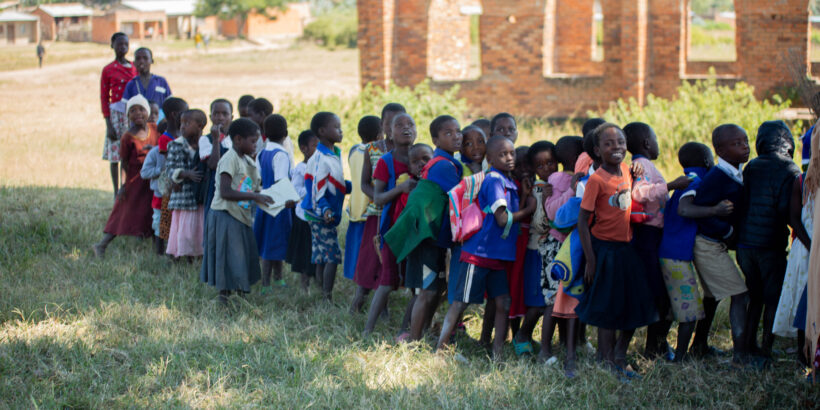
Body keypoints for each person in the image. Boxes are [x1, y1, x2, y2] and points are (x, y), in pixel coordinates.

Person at [436, 136, 535, 359]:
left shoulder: (508, 181)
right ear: (490, 159)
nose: (510, 158)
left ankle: (497, 353)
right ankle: (441, 350)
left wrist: (525, 196)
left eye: (512, 153)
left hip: (497, 255)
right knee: (461, 302)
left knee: (503, 301)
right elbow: (502, 219)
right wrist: (529, 209)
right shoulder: (494, 181)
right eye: (503, 154)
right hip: (480, 254)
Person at [575, 123, 657, 378]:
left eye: (620, 142)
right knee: (607, 308)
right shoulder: (596, 180)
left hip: (625, 248)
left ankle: (618, 355)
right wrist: (590, 259)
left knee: (633, 302)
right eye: (609, 144)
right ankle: (608, 361)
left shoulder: (626, 169)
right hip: (604, 250)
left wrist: (638, 169)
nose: (617, 147)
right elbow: (582, 220)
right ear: (597, 150)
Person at [679, 124, 751, 364]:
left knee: (712, 296)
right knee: (740, 294)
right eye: (736, 143)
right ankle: (740, 357)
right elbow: (700, 211)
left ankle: (699, 345)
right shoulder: (717, 177)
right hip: (707, 244)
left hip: (714, 243)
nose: (744, 146)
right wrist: (727, 230)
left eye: (745, 141)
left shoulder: (735, 172)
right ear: (719, 150)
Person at [624, 122, 692, 360]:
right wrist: (672, 185)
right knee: (656, 296)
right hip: (646, 237)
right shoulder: (642, 165)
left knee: (659, 297)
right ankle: (651, 348)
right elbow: (639, 194)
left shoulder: (645, 164)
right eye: (655, 139)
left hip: (653, 237)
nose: (657, 144)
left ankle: (655, 347)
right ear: (646, 143)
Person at [736, 120, 800, 361]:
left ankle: (748, 345)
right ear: (788, 142)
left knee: (755, 296)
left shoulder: (752, 166)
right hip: (770, 246)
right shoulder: (790, 169)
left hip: (745, 245)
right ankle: (765, 350)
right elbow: (786, 209)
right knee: (772, 298)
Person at [404, 115, 464, 342]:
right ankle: (413, 340)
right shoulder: (443, 166)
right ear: (435, 139)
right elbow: (460, 197)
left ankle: (421, 333)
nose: (456, 136)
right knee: (427, 291)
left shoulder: (446, 162)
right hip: (427, 239)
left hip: (434, 238)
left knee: (435, 289)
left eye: (458, 131)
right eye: (448, 133)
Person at [201, 118, 273, 303]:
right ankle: (223, 297)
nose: (256, 145)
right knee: (226, 256)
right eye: (253, 141)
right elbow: (225, 192)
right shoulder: (229, 159)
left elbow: (254, 188)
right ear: (238, 139)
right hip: (225, 215)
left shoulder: (247, 160)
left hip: (240, 215)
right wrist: (256, 197)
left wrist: (276, 199)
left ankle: (240, 293)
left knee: (241, 255)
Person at [363, 113, 418, 336]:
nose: (406, 129)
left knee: (416, 285)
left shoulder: (424, 157)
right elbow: (377, 198)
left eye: (410, 124)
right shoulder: (387, 161)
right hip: (393, 231)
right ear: (390, 133)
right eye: (399, 125)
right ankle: (367, 330)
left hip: (417, 231)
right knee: (387, 281)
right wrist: (400, 189)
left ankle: (405, 330)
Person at [351, 103, 406, 313]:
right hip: (377, 214)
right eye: (390, 123)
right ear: (382, 125)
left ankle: (383, 308)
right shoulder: (372, 149)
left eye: (399, 123)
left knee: (389, 262)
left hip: (399, 215)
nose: (395, 127)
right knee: (370, 258)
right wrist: (379, 197)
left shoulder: (410, 151)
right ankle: (358, 302)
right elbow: (364, 182)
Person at [92, 95, 158, 257]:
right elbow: (124, 163)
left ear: (148, 112)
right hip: (135, 182)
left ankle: (159, 252)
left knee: (154, 212)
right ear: (128, 116)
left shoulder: (154, 129)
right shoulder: (127, 137)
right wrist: (122, 186)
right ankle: (101, 245)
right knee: (124, 213)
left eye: (141, 109)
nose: (138, 114)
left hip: (153, 180)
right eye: (133, 111)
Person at [543, 136, 584, 375]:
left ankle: (572, 342)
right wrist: (570, 189)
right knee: (554, 299)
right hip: (557, 247)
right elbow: (553, 212)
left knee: (571, 296)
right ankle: (545, 348)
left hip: (570, 246)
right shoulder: (559, 179)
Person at [300, 112, 350, 301]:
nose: (341, 131)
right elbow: (316, 189)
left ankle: (322, 293)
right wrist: (325, 209)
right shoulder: (320, 158)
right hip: (321, 214)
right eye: (336, 127)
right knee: (333, 256)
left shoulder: (333, 153)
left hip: (321, 212)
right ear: (322, 131)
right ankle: (326, 297)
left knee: (321, 255)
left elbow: (335, 183)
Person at [514, 141, 557, 358]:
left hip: (554, 253)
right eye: (540, 166)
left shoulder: (559, 185)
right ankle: (523, 335)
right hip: (537, 251)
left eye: (551, 163)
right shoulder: (538, 189)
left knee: (551, 301)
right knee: (538, 304)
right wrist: (548, 200)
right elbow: (541, 224)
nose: (547, 169)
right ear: (533, 169)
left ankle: (537, 339)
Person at [254, 114, 296, 292]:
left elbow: (258, 178)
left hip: (264, 204)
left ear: (264, 133)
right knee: (275, 244)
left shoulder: (262, 152)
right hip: (278, 206)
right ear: (285, 134)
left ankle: (274, 280)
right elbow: (281, 181)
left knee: (268, 244)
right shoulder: (282, 154)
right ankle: (268, 283)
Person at [165, 109, 208, 260]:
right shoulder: (175, 145)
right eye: (181, 123)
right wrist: (185, 174)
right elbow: (170, 169)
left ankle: (199, 255)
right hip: (184, 195)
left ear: (200, 126)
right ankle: (183, 256)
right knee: (185, 230)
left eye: (187, 123)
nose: (182, 126)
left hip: (201, 196)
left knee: (199, 229)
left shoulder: (206, 144)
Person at [345, 116, 381, 284]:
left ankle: (354, 278)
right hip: (369, 210)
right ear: (381, 134)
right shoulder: (376, 153)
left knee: (354, 249)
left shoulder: (353, 150)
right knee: (368, 252)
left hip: (355, 209)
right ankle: (365, 281)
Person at [100, 32, 137, 197]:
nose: (123, 47)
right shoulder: (108, 70)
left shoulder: (134, 67)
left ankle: (127, 187)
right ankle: (116, 191)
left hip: (132, 114)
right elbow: (104, 97)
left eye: (125, 44)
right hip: (115, 116)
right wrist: (108, 123)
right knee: (115, 154)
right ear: (112, 46)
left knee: (128, 154)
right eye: (119, 44)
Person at [287, 130, 319, 292]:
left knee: (316, 252)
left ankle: (317, 283)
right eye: (315, 146)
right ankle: (304, 287)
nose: (318, 149)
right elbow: (295, 191)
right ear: (303, 149)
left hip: (317, 217)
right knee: (304, 253)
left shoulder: (320, 166)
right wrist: (311, 190)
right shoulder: (301, 168)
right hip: (304, 217)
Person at [157, 97, 189, 243]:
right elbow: (166, 164)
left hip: (182, 179)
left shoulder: (182, 134)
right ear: (174, 115)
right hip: (171, 182)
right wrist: (172, 180)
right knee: (166, 217)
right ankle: (161, 249)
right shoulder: (165, 139)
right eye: (185, 112)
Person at [121, 48, 172, 123]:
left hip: (159, 126)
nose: (141, 61)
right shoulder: (131, 84)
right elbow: (126, 108)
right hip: (138, 127)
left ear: (152, 60)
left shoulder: (161, 81)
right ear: (134, 63)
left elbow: (170, 105)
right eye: (138, 59)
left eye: (145, 58)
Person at [140, 130, 167, 255]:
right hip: (160, 195)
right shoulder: (155, 152)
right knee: (159, 223)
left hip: (176, 195)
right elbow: (144, 173)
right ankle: (159, 252)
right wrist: (159, 170)